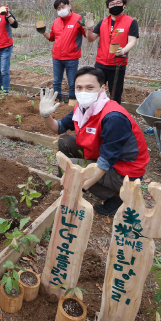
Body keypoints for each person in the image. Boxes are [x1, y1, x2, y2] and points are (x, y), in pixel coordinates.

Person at [38, 66, 149, 216]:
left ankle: (118, 197)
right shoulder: (81, 109)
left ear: (102, 88)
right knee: (65, 140)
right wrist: (46, 115)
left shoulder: (113, 117)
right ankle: (67, 183)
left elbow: (105, 163)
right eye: (79, 87)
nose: (83, 92)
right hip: (103, 157)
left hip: (125, 171)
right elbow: (58, 128)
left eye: (90, 87)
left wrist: (80, 188)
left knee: (72, 169)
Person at [83, 0, 139, 104]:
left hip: (117, 63)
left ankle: (114, 113)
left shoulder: (131, 22)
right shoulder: (103, 22)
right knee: (96, 91)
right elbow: (90, 39)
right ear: (108, 8)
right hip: (100, 63)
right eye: (112, 4)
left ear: (124, 5)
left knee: (115, 94)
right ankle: (95, 112)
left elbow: (132, 41)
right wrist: (88, 29)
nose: (115, 6)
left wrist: (123, 50)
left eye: (118, 3)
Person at [39, 0, 86, 101]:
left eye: (63, 7)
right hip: (57, 57)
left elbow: (87, 35)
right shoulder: (56, 22)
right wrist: (43, 32)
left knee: (72, 82)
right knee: (56, 81)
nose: (61, 10)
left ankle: (72, 102)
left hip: (71, 57)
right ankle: (57, 100)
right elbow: (51, 38)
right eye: (58, 8)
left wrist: (87, 26)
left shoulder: (78, 19)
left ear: (69, 6)